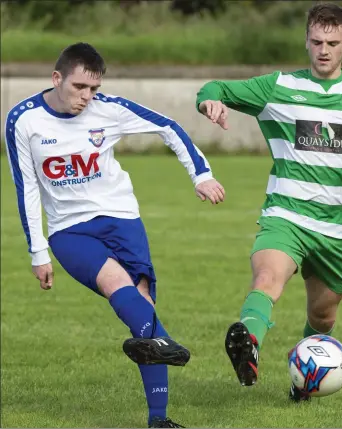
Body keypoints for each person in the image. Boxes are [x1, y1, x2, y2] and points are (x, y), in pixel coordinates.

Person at [196, 2, 342, 400]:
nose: (323, 50)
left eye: (332, 42)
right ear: (306, 40)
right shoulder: (278, 86)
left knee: (323, 316)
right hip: (286, 216)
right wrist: (209, 102)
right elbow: (215, 88)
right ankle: (247, 343)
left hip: (336, 230)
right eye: (316, 41)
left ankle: (303, 380)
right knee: (267, 279)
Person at [5, 42, 225, 428]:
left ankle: (158, 418)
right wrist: (38, 252)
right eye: (78, 88)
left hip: (122, 219)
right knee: (115, 285)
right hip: (68, 231)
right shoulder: (22, 120)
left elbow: (167, 127)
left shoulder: (108, 109)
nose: (86, 98)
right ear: (57, 78)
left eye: (93, 89)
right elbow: (26, 188)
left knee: (142, 311)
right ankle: (165, 346)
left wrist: (201, 175)